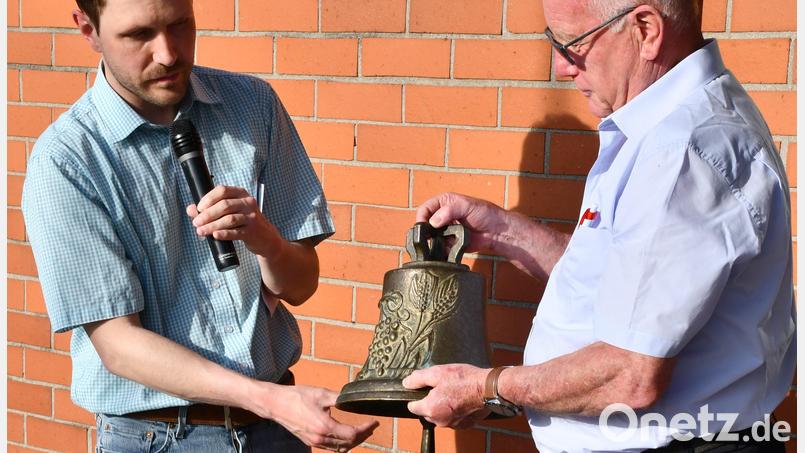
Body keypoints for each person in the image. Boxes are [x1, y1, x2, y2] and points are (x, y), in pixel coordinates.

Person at [401, 0, 796, 451]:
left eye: (570, 44)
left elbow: (630, 375)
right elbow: (625, 284)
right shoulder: (662, 129)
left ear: (645, 30)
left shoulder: (683, 150)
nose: (561, 68)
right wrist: (501, 231)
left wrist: (486, 387)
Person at [21, 0, 378, 452]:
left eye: (179, 24)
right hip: (158, 437)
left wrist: (267, 242)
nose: (168, 53)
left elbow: (301, 285)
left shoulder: (253, 105)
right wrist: (271, 401)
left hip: (273, 429)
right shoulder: (68, 159)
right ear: (88, 29)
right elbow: (117, 343)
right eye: (139, 35)